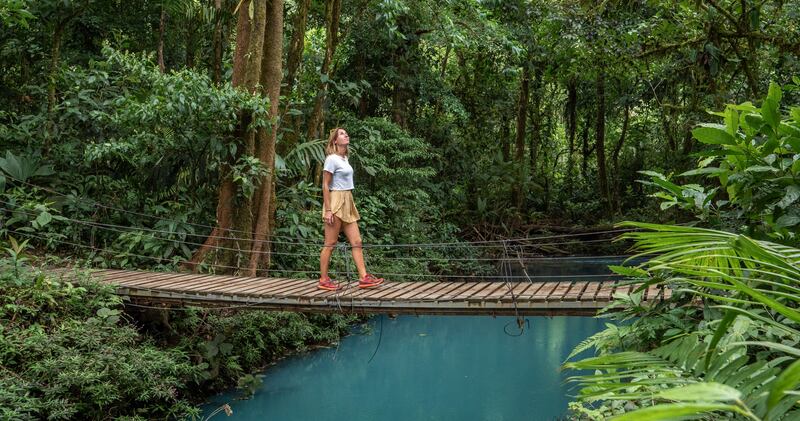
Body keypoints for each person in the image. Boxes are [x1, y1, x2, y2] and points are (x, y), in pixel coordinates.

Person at [318, 127, 384, 291]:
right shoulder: (331, 159)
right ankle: (323, 279)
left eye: (346, 133)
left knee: (357, 242)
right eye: (341, 133)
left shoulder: (344, 158)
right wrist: (328, 210)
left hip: (348, 200)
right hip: (335, 200)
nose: (346, 134)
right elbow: (325, 185)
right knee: (330, 242)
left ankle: (364, 278)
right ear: (335, 140)